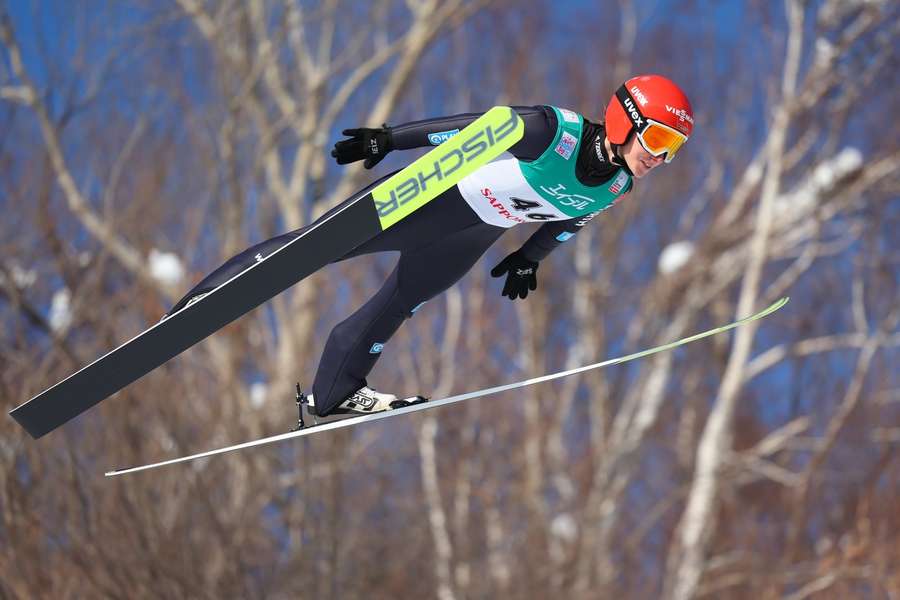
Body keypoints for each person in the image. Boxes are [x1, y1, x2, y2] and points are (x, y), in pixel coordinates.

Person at [168, 74, 694, 417]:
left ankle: (334, 393)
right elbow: (471, 130)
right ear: (626, 119)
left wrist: (528, 260)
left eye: (672, 151)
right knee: (311, 249)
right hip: (426, 199)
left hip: (469, 237)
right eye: (657, 142)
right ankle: (197, 307)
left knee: (399, 305)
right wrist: (389, 139)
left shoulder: (617, 185)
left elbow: (571, 220)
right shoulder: (552, 132)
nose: (660, 159)